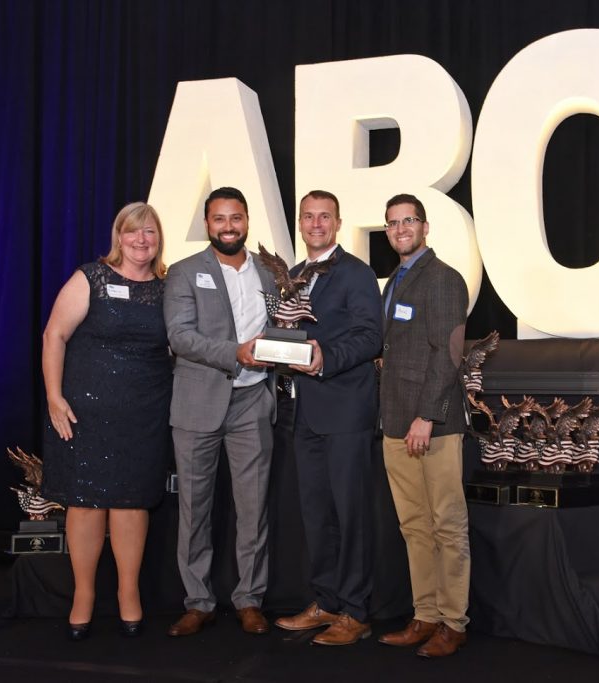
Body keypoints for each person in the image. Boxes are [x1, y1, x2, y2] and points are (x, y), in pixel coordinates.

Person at [42, 202, 172, 641]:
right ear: (119, 237)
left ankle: (128, 594)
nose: (142, 240)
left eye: (149, 232)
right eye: (133, 232)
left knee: (132, 501)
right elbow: (54, 335)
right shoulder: (90, 278)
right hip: (87, 409)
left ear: (158, 239)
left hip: (145, 412)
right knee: (86, 502)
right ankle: (83, 595)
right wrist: (54, 398)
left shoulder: (168, 287)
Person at [163, 186, 279, 637]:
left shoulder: (269, 273)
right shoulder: (185, 272)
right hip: (197, 403)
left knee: (253, 510)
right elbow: (180, 337)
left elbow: (282, 325)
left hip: (252, 403)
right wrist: (238, 352)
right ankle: (198, 601)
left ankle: (250, 599)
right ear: (207, 224)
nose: (228, 226)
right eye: (219, 219)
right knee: (194, 509)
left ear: (247, 221)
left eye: (236, 218)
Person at [274, 190, 383, 646]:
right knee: (317, 515)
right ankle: (326, 602)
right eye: (308, 217)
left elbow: (370, 337)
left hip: (345, 412)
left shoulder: (356, 273)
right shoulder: (295, 275)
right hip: (305, 414)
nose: (316, 224)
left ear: (337, 223)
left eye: (324, 217)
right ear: (300, 223)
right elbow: (290, 332)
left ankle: (356, 612)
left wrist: (325, 359)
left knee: (350, 514)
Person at [375, 194, 470, 657]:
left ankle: (453, 622)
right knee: (414, 526)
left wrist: (426, 415)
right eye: (392, 223)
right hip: (395, 422)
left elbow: (448, 354)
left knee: (447, 525)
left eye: (408, 220)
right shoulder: (396, 280)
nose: (400, 229)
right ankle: (425, 614)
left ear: (425, 226)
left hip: (432, 425)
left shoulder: (444, 280)